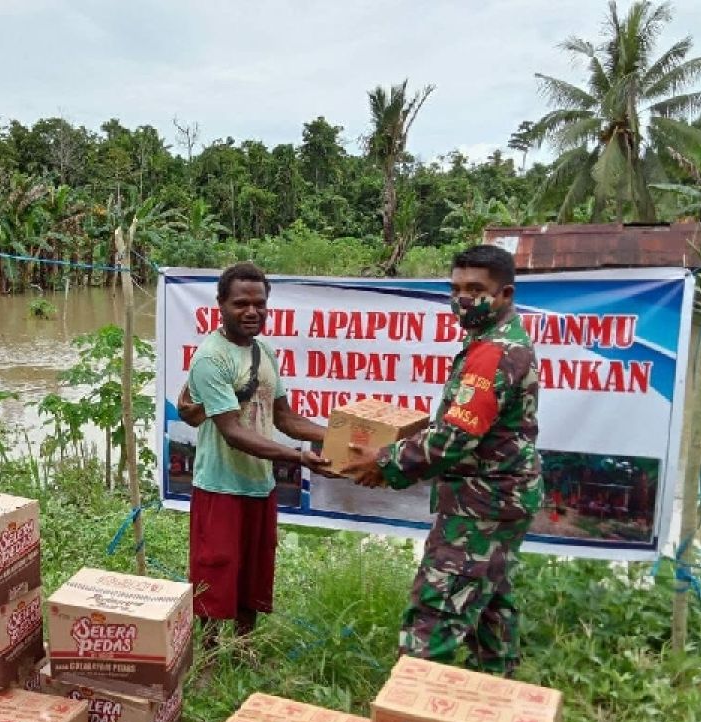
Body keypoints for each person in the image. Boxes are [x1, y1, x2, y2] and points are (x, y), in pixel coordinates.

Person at [341, 244, 541, 677]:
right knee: (491, 608)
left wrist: (386, 462)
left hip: (481, 508)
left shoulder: (495, 353)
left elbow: (454, 437)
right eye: (455, 288)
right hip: (499, 502)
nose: (462, 299)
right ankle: (502, 711)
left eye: (476, 289)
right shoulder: (494, 342)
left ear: (505, 294)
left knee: (432, 623)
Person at [177, 262, 332, 644]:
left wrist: (335, 437)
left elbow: (285, 417)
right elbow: (232, 431)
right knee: (216, 570)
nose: (251, 312)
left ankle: (245, 649)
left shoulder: (265, 352)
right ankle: (211, 655)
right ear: (221, 305)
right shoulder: (211, 359)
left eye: (259, 304)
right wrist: (298, 458)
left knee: (254, 569)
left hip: (259, 485)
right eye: (241, 303)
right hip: (220, 486)